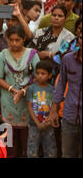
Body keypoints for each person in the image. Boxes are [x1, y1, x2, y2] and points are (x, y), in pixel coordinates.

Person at [0, 25, 40, 158]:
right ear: (7, 40)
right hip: (8, 100)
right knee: (9, 141)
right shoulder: (3, 54)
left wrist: (23, 91)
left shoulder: (32, 54)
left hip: (27, 101)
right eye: (11, 40)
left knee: (26, 139)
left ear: (24, 39)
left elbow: (38, 75)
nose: (14, 43)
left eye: (17, 40)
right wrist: (14, 90)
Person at [49, 27, 82, 158]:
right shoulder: (68, 59)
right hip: (69, 115)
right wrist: (53, 111)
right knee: (67, 153)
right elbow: (61, 85)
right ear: (78, 40)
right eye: (81, 38)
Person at [26, 60, 57, 158]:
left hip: (48, 124)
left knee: (50, 149)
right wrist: (37, 122)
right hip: (34, 125)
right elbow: (29, 106)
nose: (39, 76)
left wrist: (48, 121)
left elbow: (54, 107)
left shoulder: (52, 89)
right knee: (32, 150)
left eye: (43, 73)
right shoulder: (31, 88)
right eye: (38, 73)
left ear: (50, 76)